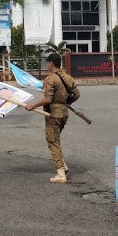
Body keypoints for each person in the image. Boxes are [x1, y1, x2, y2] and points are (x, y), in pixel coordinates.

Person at [26, 52, 80, 184]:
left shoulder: (51, 79)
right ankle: (63, 165)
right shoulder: (68, 77)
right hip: (64, 114)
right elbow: (77, 94)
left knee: (52, 141)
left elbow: (48, 99)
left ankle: (61, 174)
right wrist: (66, 103)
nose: (47, 65)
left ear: (50, 63)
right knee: (56, 139)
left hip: (53, 114)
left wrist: (33, 105)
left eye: (47, 63)